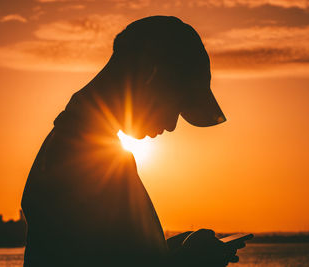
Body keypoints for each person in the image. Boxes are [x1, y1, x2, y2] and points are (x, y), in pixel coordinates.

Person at [21, 16, 245, 267]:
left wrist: (168, 251)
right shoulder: (83, 159)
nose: (171, 125)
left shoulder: (80, 145)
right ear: (150, 74)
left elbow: (110, 254)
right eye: (174, 106)